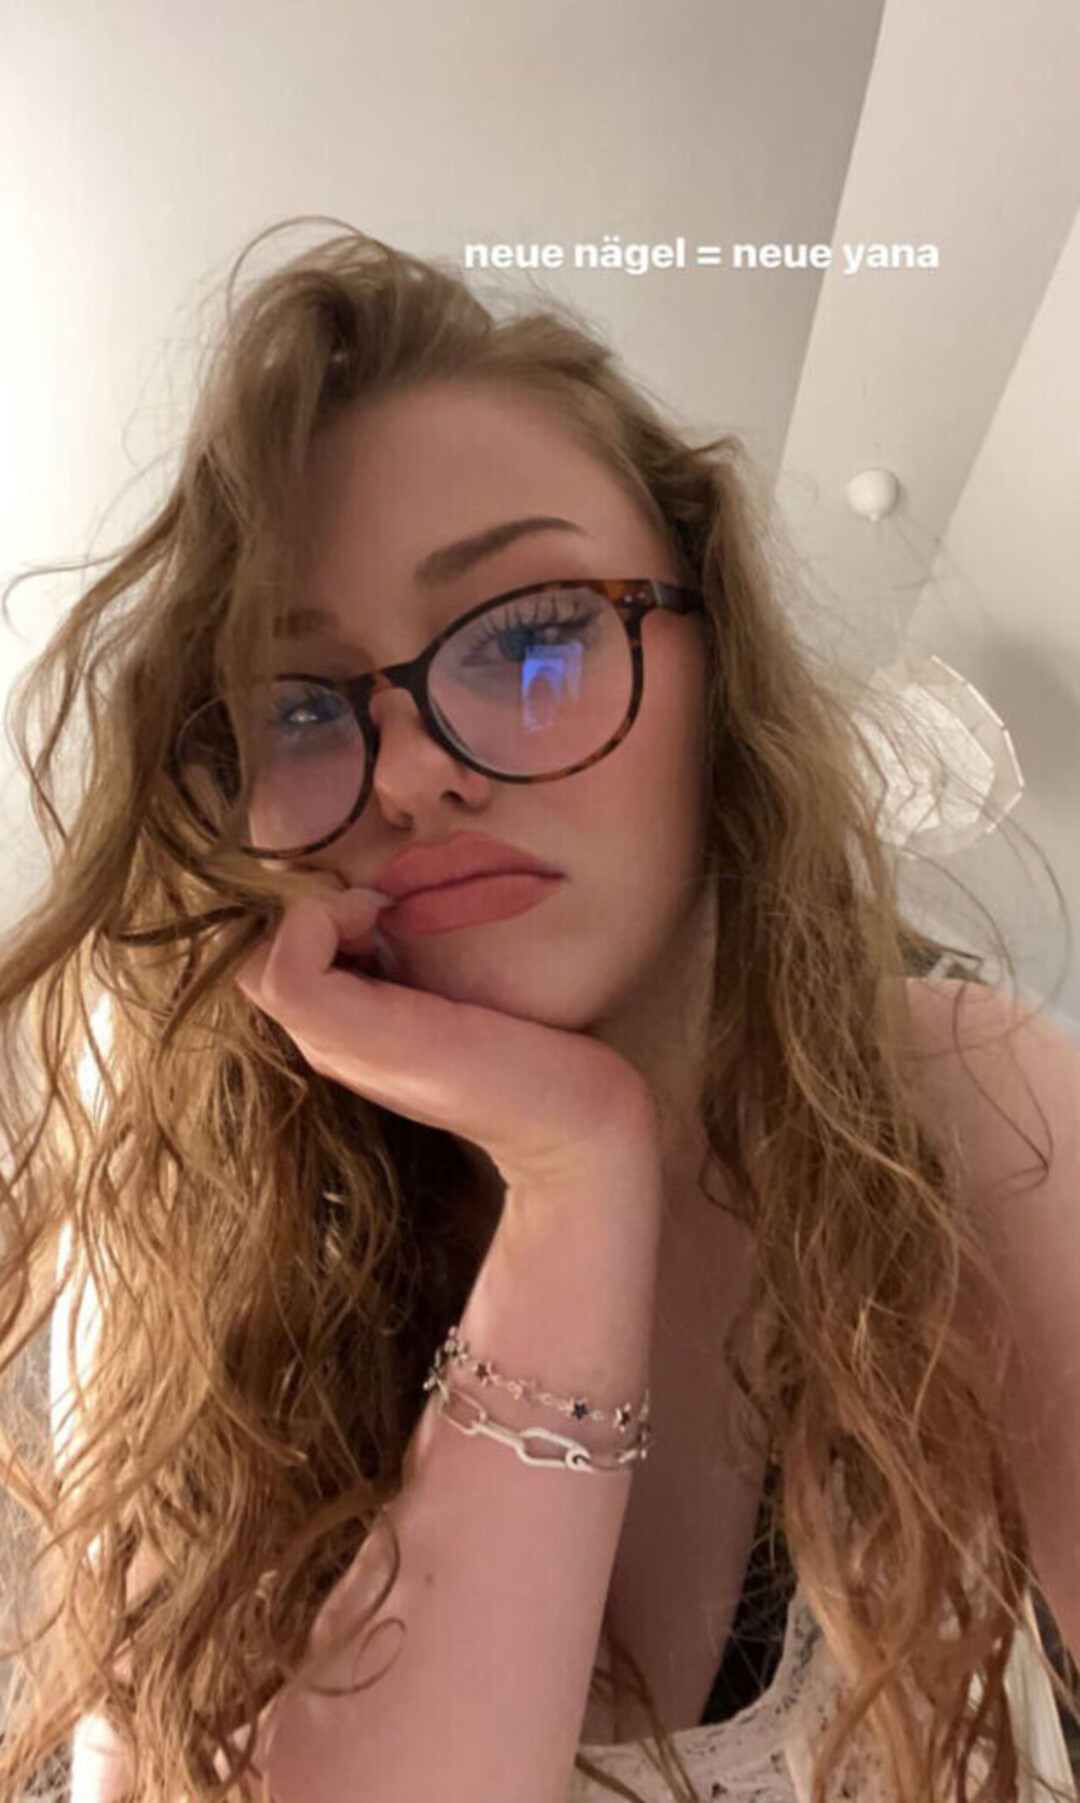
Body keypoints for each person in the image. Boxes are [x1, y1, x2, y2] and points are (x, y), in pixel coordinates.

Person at [0, 217, 1077, 1803]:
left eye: (526, 639)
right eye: (298, 710)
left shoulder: (953, 1107)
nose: (410, 772)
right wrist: (575, 1178)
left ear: (720, 670)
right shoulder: (202, 1250)